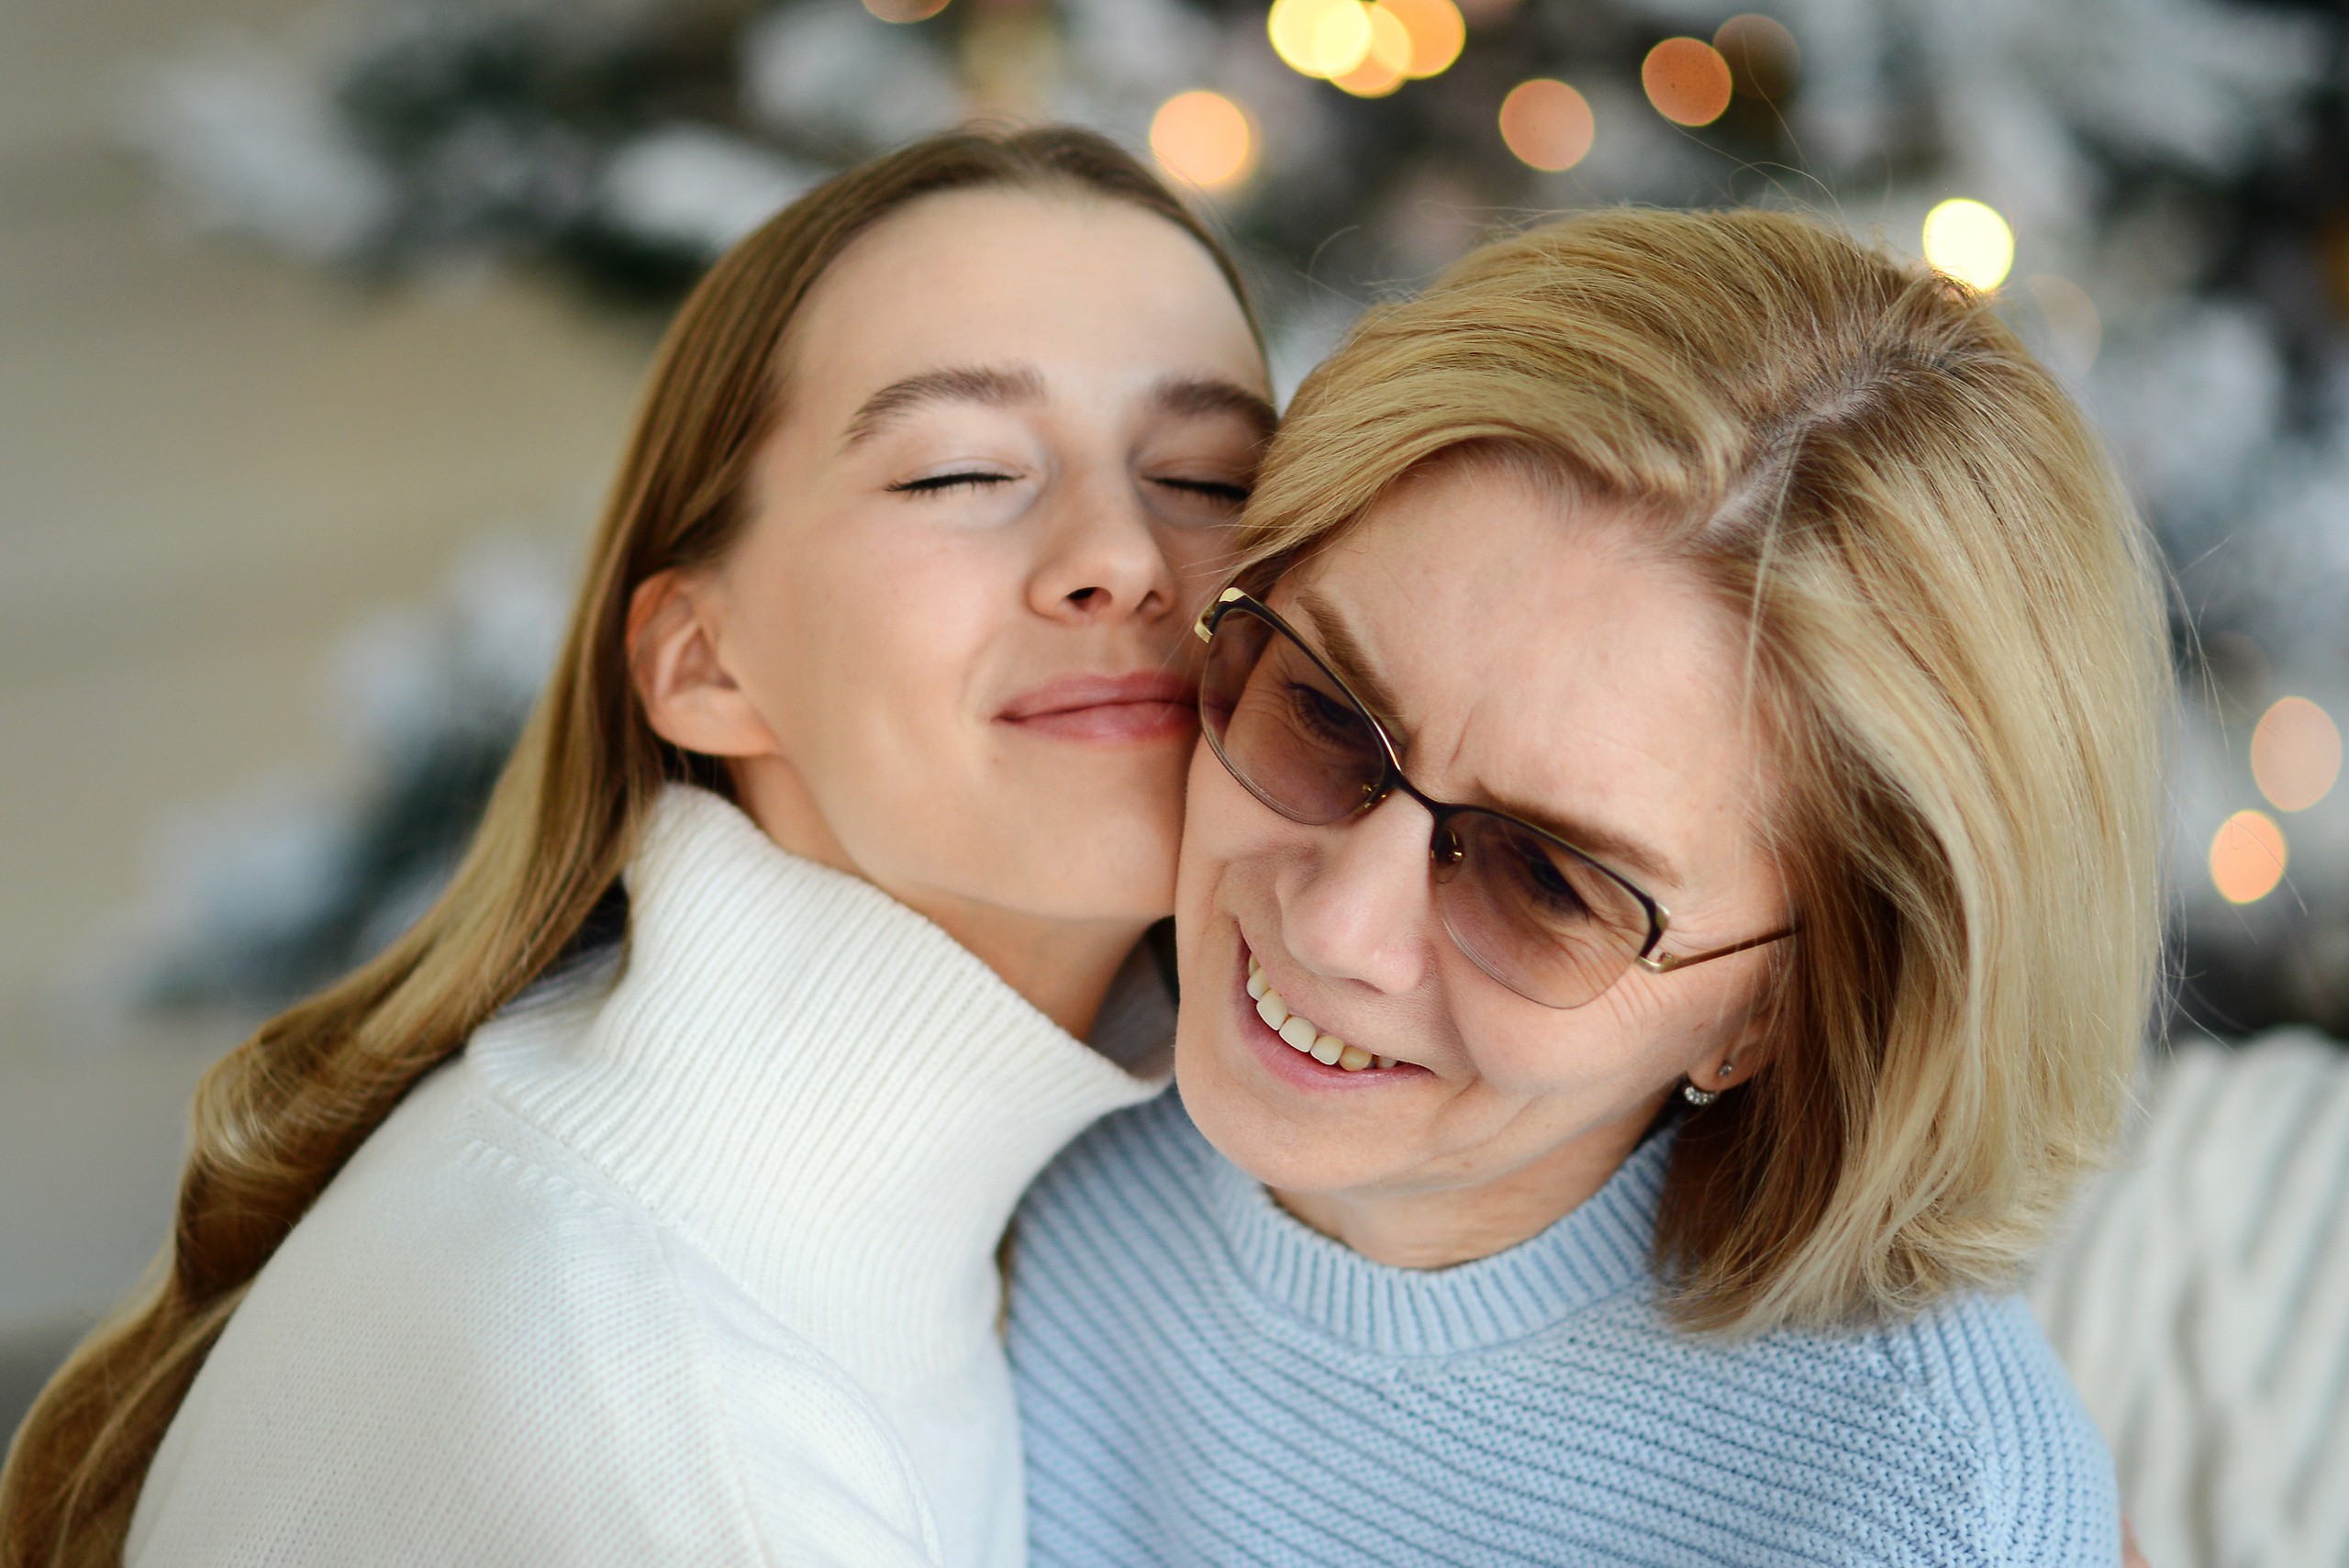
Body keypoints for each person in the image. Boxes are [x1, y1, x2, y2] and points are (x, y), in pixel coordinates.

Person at [0, 127, 1272, 1568]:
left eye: (1213, 478)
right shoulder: (673, 1431)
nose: (1125, 553)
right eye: (962, 472)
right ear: (702, 664)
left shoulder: (1003, 1231)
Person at [1008, 207, 2165, 1565]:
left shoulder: (1923, 1517)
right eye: (1322, 713)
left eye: (1546, 881)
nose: (1335, 927)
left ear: (1778, 1009)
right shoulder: (1044, 1071)